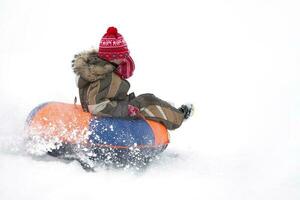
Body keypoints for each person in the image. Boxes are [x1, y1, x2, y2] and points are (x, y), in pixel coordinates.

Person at [72, 27, 193, 130]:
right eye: (122, 56)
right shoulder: (106, 76)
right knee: (148, 101)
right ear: (113, 57)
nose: (124, 59)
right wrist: (127, 109)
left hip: (114, 107)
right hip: (109, 116)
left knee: (144, 98)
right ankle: (179, 116)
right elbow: (96, 107)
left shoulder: (96, 70)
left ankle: (169, 108)